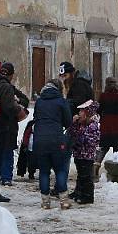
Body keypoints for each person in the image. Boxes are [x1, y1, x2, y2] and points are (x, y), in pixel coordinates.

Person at [0, 62, 28, 200]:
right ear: (11, 75)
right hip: (3, 126)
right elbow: (9, 107)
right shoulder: (7, 87)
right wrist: (19, 109)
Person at [33, 79, 72, 209]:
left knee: (44, 171)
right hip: (56, 140)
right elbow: (68, 121)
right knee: (60, 169)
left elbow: (36, 118)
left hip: (40, 140)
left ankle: (45, 202)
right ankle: (64, 200)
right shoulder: (61, 101)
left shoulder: (39, 102)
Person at [67, 100, 101, 204]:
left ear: (87, 113)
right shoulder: (80, 124)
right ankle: (78, 192)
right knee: (80, 174)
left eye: (81, 111)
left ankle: (88, 196)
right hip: (79, 154)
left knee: (86, 176)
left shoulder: (93, 125)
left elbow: (92, 140)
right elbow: (71, 132)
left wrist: (79, 139)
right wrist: (73, 124)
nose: (79, 113)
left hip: (87, 155)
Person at [97, 77, 118, 162]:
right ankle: (116, 165)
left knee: (104, 147)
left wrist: (102, 115)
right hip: (117, 124)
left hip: (106, 124)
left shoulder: (103, 96)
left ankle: (97, 164)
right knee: (117, 147)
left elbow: (99, 109)